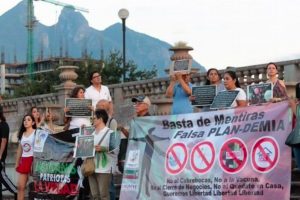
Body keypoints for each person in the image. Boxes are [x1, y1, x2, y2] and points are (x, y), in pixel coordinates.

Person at [88, 109, 118, 200]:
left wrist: (103, 148)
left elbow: (116, 150)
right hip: (92, 168)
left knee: (104, 195)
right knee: (94, 195)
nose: (92, 120)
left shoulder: (112, 133)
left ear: (100, 119)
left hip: (105, 169)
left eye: (94, 118)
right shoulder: (91, 134)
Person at [96, 99, 119, 200]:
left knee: (108, 189)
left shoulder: (112, 121)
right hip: (96, 163)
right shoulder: (94, 124)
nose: (97, 107)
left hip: (107, 163)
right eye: (97, 106)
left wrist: (103, 148)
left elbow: (114, 144)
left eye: (100, 106)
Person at [15, 114, 37, 200]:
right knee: (20, 186)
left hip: (33, 159)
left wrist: (34, 162)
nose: (26, 121)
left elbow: (38, 148)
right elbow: (20, 149)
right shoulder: (22, 134)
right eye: (24, 120)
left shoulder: (36, 132)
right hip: (24, 160)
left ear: (33, 122)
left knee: (35, 187)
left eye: (28, 120)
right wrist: (17, 162)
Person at [0, 106, 17, 200]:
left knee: (3, 176)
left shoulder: (4, 125)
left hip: (0, 156)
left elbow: (4, 141)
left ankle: (15, 191)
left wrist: (0, 155)